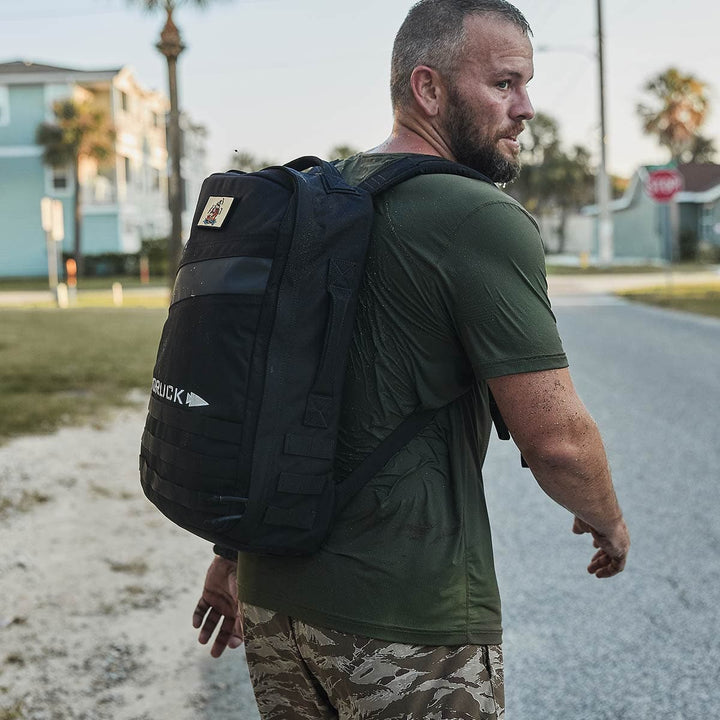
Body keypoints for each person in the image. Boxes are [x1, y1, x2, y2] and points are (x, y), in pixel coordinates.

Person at [191, 1, 631, 718]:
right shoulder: (477, 216)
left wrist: (229, 556)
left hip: (275, 604)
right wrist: (608, 519)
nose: (525, 109)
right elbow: (556, 440)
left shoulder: (315, 199)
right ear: (428, 89)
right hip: (404, 621)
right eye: (504, 84)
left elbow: (267, 394)